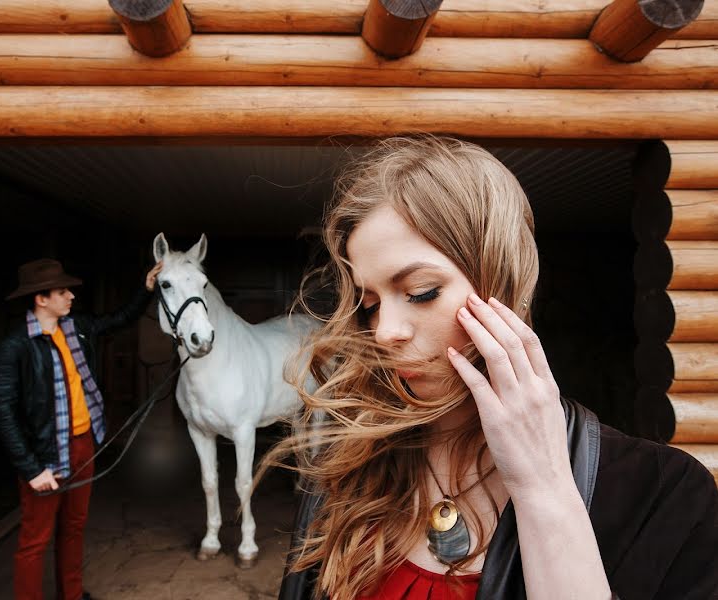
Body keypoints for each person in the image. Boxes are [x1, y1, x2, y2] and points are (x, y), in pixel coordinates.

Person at [272, 136, 718, 600]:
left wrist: (542, 488)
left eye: (421, 292)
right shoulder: (348, 460)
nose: (384, 331)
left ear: (503, 280)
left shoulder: (667, 496)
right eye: (369, 304)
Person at [0, 257, 162, 600]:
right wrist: (31, 468)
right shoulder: (16, 346)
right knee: (34, 540)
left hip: (83, 444)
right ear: (41, 299)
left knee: (72, 529)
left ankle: (71, 595)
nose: (70, 296)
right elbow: (3, 412)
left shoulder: (77, 328)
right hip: (44, 456)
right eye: (62, 291)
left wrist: (146, 290)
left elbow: (120, 319)